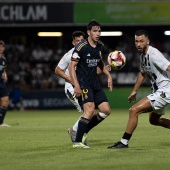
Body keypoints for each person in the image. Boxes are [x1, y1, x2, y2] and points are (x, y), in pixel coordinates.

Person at [108, 30, 170, 149]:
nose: (138, 44)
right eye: (136, 41)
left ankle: (124, 142)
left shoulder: (154, 54)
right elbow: (142, 73)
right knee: (154, 121)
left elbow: (168, 67)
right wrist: (134, 90)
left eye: (141, 41)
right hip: (160, 91)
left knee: (134, 110)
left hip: (165, 91)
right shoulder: (143, 55)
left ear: (148, 41)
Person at [68, 19, 113, 148]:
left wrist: (108, 75)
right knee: (89, 111)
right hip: (83, 83)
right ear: (88, 32)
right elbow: (72, 67)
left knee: (105, 110)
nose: (97, 33)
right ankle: (77, 142)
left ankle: (84, 131)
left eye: (99, 31)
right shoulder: (81, 47)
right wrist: (76, 86)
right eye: (94, 31)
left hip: (95, 83)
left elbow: (100, 62)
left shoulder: (100, 46)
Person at [55, 31, 86, 143]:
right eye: (77, 41)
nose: (79, 43)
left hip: (83, 86)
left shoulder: (87, 53)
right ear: (73, 43)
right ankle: (76, 132)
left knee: (90, 112)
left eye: (82, 41)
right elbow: (58, 70)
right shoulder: (69, 55)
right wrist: (72, 81)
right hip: (71, 87)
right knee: (89, 112)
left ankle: (76, 132)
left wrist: (104, 69)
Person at [0, 40, 10, 127]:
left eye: (2, 46)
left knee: (5, 101)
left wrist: (5, 75)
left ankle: (1, 123)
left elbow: (3, 69)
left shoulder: (3, 59)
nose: (0, 48)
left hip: (1, 83)